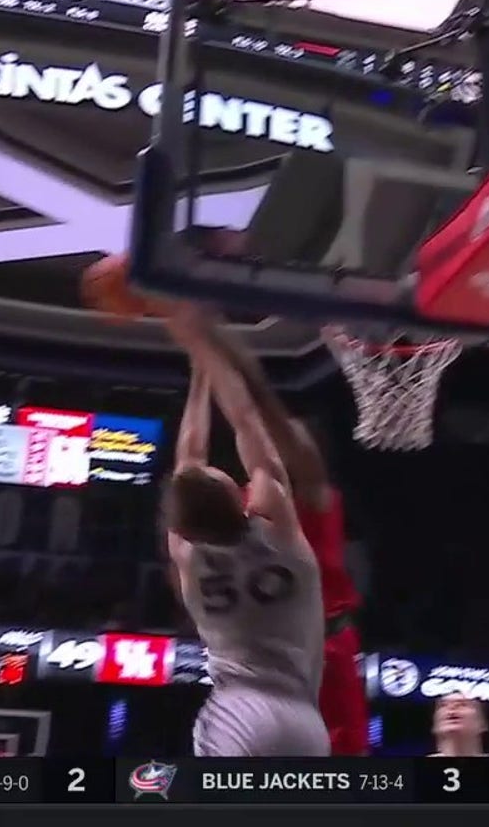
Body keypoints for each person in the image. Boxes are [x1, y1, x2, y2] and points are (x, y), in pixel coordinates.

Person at [191, 316, 369, 755]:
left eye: (293, 438)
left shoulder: (310, 496)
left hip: (321, 652)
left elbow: (259, 421)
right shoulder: (237, 505)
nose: (288, 440)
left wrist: (219, 353)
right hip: (257, 660)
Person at [161, 306, 330, 756]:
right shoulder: (279, 533)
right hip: (302, 720)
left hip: (243, 710)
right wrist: (205, 351)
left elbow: (188, 460)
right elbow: (244, 422)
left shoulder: (189, 558)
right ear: (241, 498)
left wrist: (199, 366)